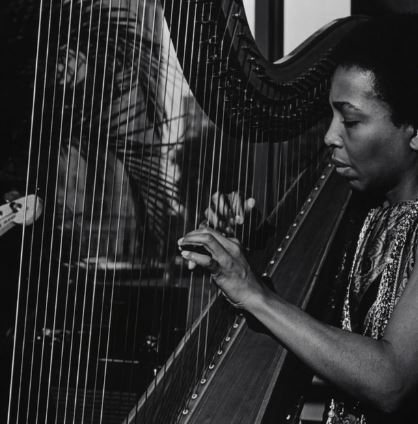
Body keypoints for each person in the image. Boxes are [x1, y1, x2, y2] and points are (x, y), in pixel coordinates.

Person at [178, 15, 418, 424]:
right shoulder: (367, 211)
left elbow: (390, 380)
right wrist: (247, 247)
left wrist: (255, 293)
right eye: (331, 116)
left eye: (351, 121)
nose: (330, 136)